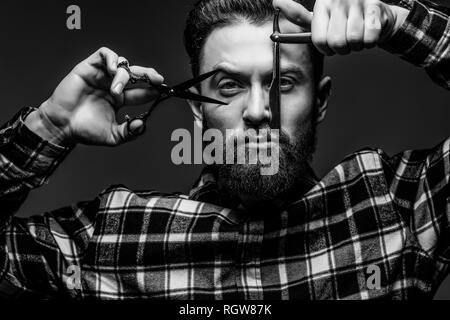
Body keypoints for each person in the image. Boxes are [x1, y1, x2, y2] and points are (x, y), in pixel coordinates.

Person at [0, 0, 448, 299]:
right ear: (198, 113)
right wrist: (50, 126)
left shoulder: (396, 207)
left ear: (321, 102)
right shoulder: (109, 239)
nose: (258, 111)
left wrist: (399, 24)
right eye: (229, 86)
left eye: (283, 84)